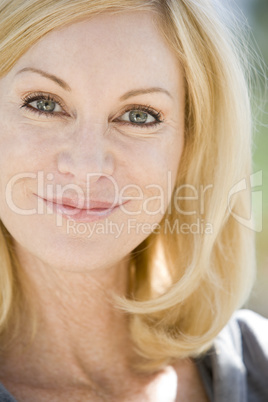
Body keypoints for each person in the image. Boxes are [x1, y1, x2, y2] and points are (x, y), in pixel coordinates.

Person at [0, 0, 267, 401]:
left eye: (139, 115)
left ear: (189, 147)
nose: (88, 165)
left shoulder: (257, 362)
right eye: (44, 103)